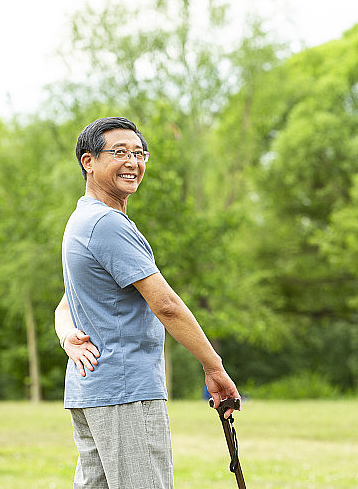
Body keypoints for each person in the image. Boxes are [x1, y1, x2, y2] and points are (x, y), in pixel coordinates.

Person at [54, 116, 240, 488]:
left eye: (139, 153)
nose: (133, 162)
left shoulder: (81, 221)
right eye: (119, 152)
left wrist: (65, 336)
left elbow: (63, 305)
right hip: (125, 392)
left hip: (91, 392)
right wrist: (214, 368)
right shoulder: (107, 224)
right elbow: (166, 304)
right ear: (88, 162)